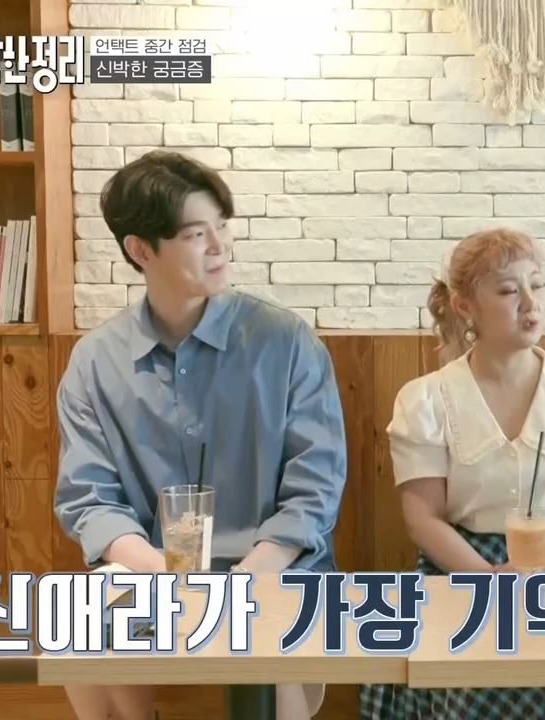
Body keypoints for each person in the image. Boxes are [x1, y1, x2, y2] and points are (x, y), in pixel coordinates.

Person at [53, 150, 347, 720]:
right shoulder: (94, 362)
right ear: (141, 250)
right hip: (151, 569)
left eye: (222, 226)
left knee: (264, 644)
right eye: (195, 234)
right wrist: (164, 575)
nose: (220, 246)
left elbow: (315, 490)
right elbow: (89, 500)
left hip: (274, 568)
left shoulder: (286, 342)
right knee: (80, 613)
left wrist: (243, 580)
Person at [358, 228, 545, 718]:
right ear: (464, 306)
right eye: (507, 290)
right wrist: (491, 582)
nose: (530, 302)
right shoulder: (427, 399)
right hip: (459, 573)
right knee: (472, 684)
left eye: (536, 285)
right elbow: (423, 518)